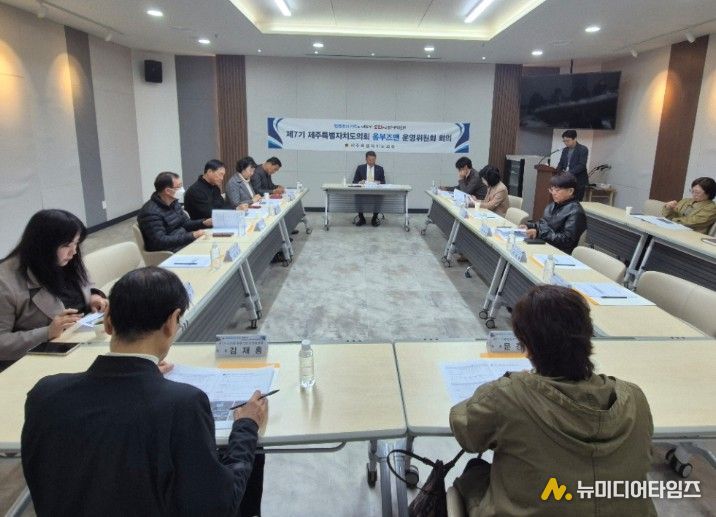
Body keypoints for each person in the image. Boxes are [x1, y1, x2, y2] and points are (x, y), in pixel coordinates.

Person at [22, 267, 268, 516]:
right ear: (172, 322)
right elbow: (219, 505)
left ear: (108, 321)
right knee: (251, 454)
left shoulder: (44, 394)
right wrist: (246, 426)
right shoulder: (184, 404)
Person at [450, 285, 655, 517]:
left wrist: (502, 387)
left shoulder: (507, 397)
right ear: (588, 335)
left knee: (475, 472)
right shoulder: (634, 398)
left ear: (526, 346)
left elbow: (466, 434)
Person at [0, 209, 108, 369]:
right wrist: (47, 332)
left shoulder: (67, 260)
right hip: (38, 359)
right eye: (66, 245)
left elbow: (85, 286)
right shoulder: (5, 283)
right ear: (42, 246)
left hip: (80, 338)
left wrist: (93, 297)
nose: (74, 252)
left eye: (76, 243)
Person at [137, 172, 212, 252]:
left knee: (212, 244)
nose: (182, 189)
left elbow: (186, 223)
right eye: (179, 187)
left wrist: (204, 222)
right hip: (168, 251)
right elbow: (160, 241)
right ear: (168, 191)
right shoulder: (150, 212)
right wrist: (192, 235)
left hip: (182, 242)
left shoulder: (174, 203)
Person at [522, 173, 586, 254]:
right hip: (545, 245)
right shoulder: (553, 205)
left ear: (570, 191)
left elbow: (566, 240)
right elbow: (542, 224)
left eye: (557, 190)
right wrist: (529, 226)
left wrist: (538, 233)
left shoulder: (576, 212)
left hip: (559, 252)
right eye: (552, 189)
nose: (553, 193)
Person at [352, 150, 386, 226]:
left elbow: (383, 182)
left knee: (379, 197)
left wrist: (379, 182)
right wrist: (359, 182)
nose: (371, 162)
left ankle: (374, 218)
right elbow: (354, 181)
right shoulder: (360, 168)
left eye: (373, 160)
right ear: (366, 159)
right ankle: (362, 219)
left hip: (375, 191)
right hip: (363, 191)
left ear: (375, 159)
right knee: (357, 197)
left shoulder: (380, 169)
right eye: (370, 160)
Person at [556, 129, 589, 201]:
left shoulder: (583, 149)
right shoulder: (565, 150)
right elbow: (561, 163)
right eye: (564, 141)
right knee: (566, 202)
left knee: (576, 202)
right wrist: (559, 172)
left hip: (578, 181)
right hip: (566, 181)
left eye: (567, 141)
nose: (565, 143)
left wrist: (568, 173)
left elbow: (582, 165)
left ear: (575, 139)